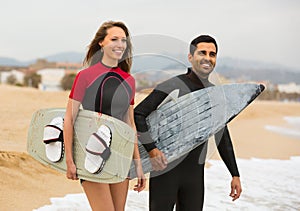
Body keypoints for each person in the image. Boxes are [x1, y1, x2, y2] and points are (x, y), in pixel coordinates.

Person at [134, 35, 242, 210]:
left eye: (212, 54)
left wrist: (235, 174)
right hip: (165, 170)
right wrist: (152, 150)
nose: (207, 58)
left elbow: (222, 136)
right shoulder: (172, 85)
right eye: (202, 53)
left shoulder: (215, 95)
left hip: (194, 174)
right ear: (190, 57)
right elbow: (138, 114)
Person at [64, 21, 146, 211]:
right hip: (91, 153)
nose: (120, 44)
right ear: (101, 42)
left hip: (120, 156)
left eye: (123, 40)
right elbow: (69, 119)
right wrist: (69, 160)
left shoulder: (129, 80)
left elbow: (130, 124)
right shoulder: (85, 76)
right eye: (114, 39)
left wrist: (138, 166)